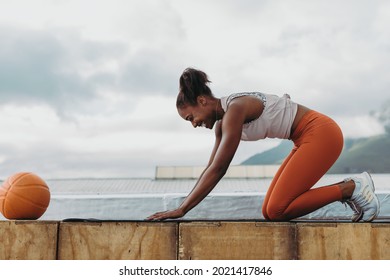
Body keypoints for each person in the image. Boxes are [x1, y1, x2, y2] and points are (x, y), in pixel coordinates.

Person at [147, 67, 380, 222]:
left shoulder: (234, 110)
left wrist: (182, 210)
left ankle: (351, 188)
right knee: (271, 212)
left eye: (191, 118)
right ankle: (350, 189)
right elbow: (210, 169)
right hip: (304, 139)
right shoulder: (222, 126)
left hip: (321, 133)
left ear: (202, 100)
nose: (194, 124)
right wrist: (184, 205)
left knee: (278, 209)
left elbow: (220, 169)